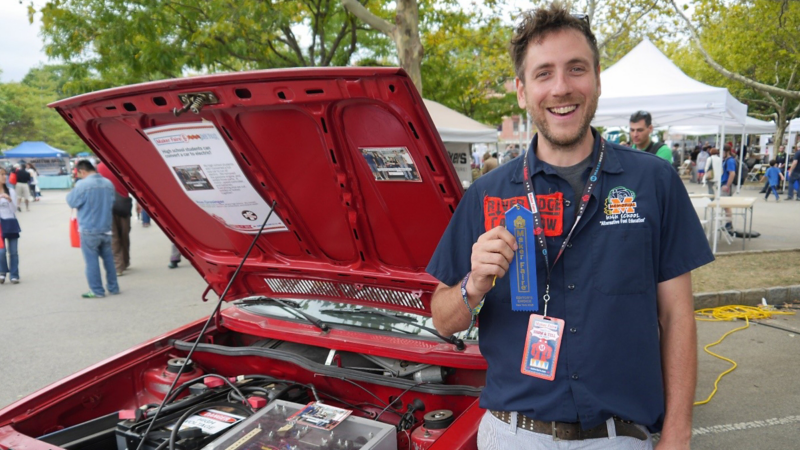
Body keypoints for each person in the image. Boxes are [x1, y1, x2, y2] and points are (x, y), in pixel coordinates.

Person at [426, 5, 713, 449]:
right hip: (512, 434)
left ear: (597, 78)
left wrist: (678, 433)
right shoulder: (486, 194)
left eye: (575, 69)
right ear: (522, 91)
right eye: (544, 74)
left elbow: (677, 316)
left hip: (619, 437)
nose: (561, 88)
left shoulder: (654, 182)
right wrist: (473, 284)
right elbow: (441, 320)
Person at [66, 160, 119, 298]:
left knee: (91, 261)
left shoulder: (82, 185)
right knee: (109, 260)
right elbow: (112, 202)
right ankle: (114, 287)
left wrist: (75, 185)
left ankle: (97, 291)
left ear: (82, 171)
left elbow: (71, 202)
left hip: (89, 229)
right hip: (106, 228)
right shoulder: (108, 183)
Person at [97, 162, 132, 276]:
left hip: (106, 206)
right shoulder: (122, 164)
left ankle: (118, 267)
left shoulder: (98, 167)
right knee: (124, 235)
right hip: (123, 204)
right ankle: (125, 262)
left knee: (114, 237)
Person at [0, 168, 21, 284]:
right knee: (1, 251)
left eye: (5, 174)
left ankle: (14, 275)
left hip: (10, 222)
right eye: (2, 174)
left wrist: (9, 200)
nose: (4, 176)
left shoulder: (11, 191)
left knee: (13, 251)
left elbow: (14, 210)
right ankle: (2, 272)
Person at [720, 145, 737, 231]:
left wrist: (727, 185)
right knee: (725, 205)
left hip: (727, 184)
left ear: (726, 151)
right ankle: (728, 223)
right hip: (725, 183)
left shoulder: (730, 161)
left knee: (726, 204)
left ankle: (729, 223)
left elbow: (732, 173)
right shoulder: (727, 160)